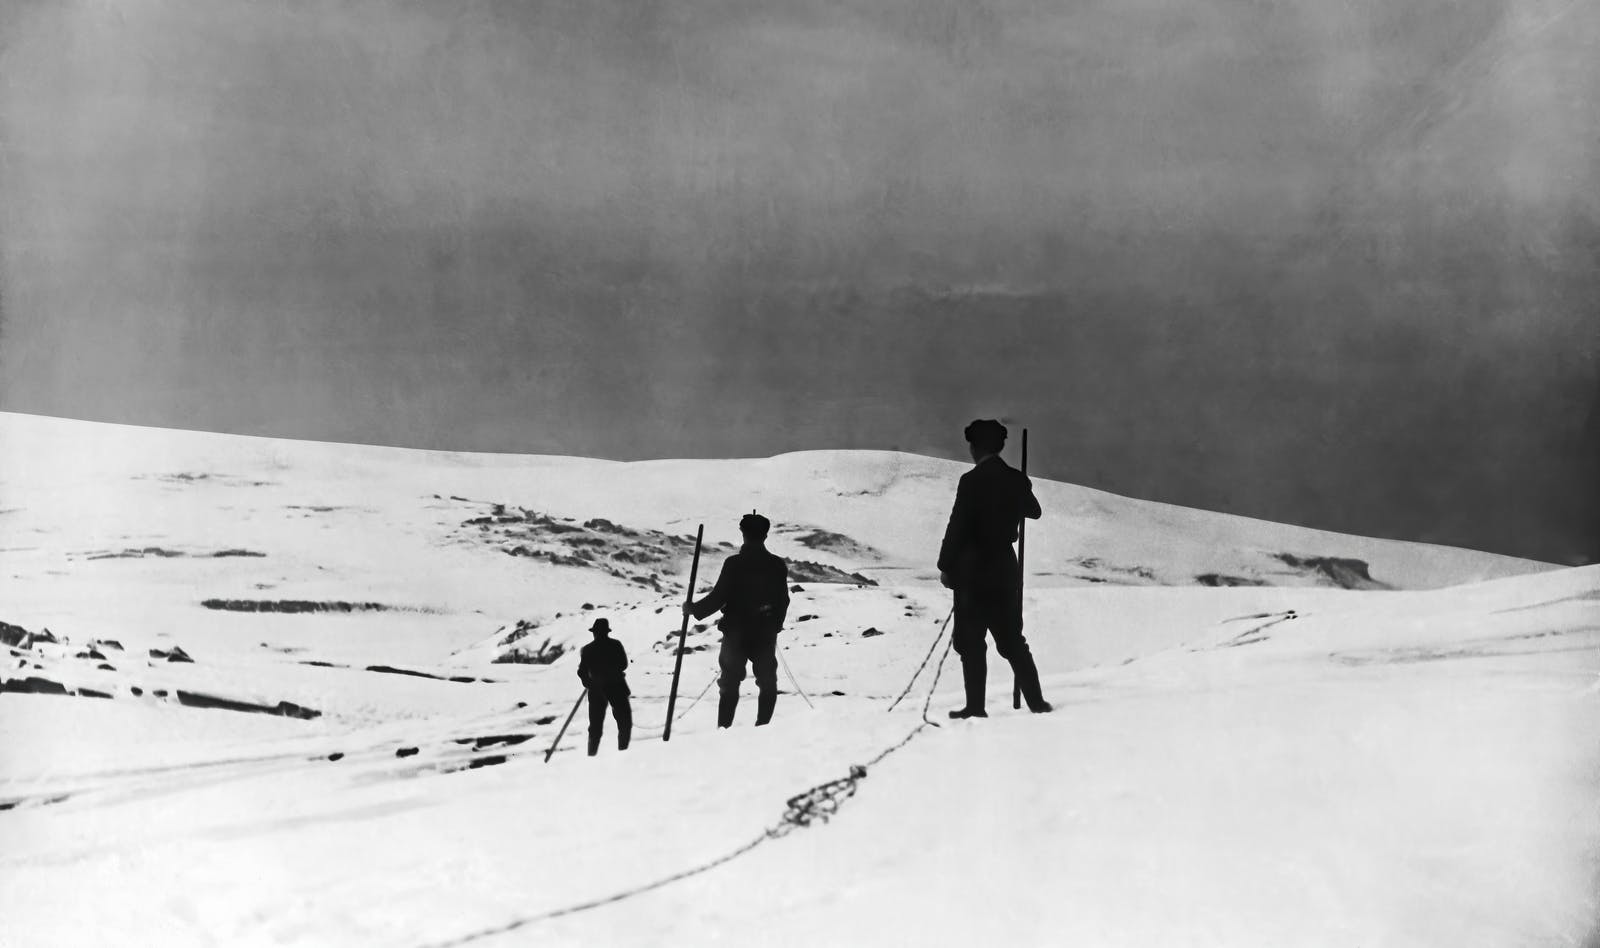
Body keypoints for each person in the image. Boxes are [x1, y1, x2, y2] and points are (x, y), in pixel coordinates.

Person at [938, 419, 1052, 718]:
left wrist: (946, 565)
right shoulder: (1015, 479)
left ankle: (975, 707)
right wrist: (1020, 487)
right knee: (1012, 640)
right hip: (1003, 569)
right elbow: (1034, 511)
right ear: (999, 447)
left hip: (973, 573)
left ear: (975, 448)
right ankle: (1037, 703)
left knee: (971, 641)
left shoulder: (971, 481)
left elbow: (957, 526)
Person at [685, 512, 790, 727]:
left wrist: (694, 609)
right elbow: (783, 601)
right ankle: (763, 726)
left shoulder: (734, 564)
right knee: (767, 681)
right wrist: (774, 626)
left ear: (743, 534)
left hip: (736, 633)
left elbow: (719, 597)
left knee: (730, 682)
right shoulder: (777, 565)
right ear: (765, 536)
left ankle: (724, 728)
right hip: (763, 633)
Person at [577, 618, 632, 756]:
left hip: (596, 689)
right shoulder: (615, 645)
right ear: (606, 632)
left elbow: (582, 672)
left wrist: (589, 683)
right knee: (624, 722)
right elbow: (623, 664)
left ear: (595, 633)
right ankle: (623, 752)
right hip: (616, 687)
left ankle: (591, 754)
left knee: (595, 727)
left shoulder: (588, 649)